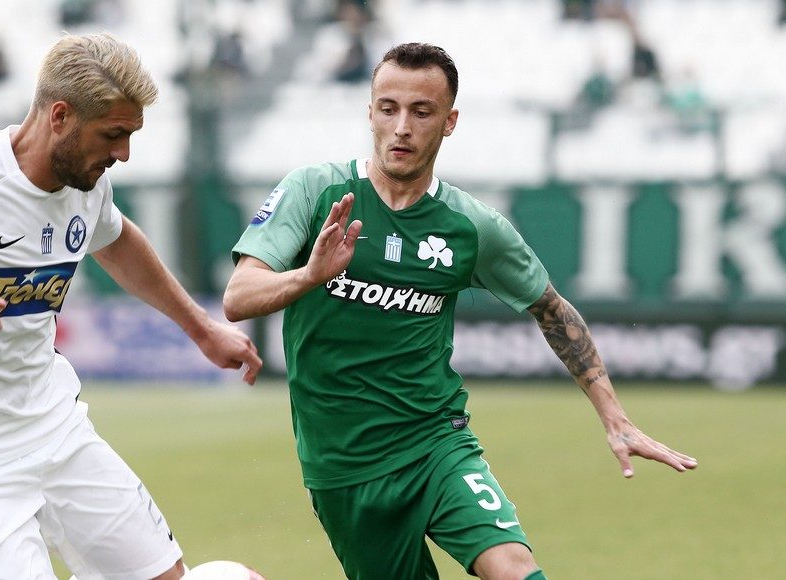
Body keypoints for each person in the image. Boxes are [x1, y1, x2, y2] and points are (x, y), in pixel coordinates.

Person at [223, 42, 696, 580]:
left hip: (437, 444)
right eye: (388, 109)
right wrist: (309, 276)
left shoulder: (471, 226)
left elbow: (552, 309)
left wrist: (615, 417)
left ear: (449, 122)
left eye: (421, 112)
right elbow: (239, 297)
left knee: (515, 569)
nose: (402, 127)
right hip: (343, 466)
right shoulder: (315, 191)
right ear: (370, 113)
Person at [0, 33, 261, 580]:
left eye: (131, 135)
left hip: (57, 430)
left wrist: (202, 330)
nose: (124, 154)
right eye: (114, 134)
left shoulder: (87, 183)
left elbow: (118, 241)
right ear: (60, 116)